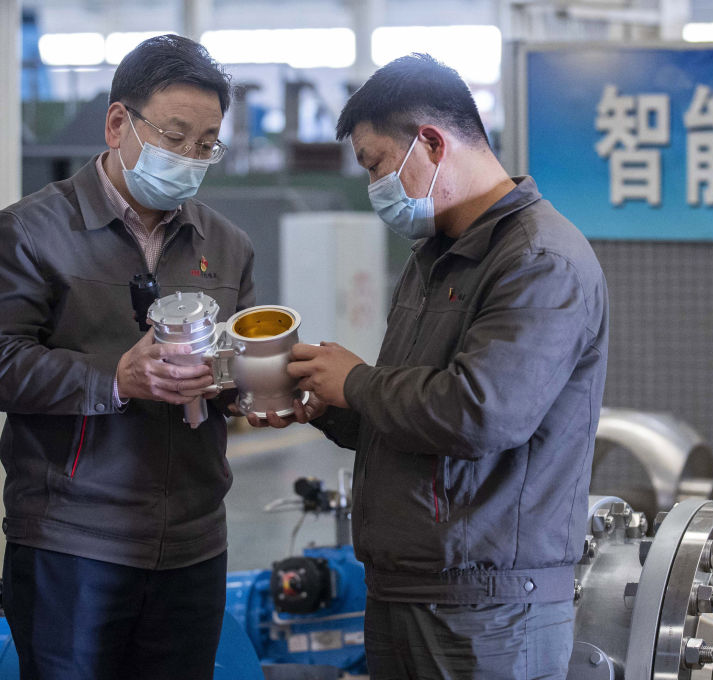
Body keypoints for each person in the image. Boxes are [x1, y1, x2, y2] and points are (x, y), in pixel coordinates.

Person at [259, 53, 609, 679]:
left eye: (375, 164)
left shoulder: (538, 261)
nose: (374, 186)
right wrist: (326, 402)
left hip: (487, 609)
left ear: (431, 143)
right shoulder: (435, 257)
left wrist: (356, 382)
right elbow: (416, 417)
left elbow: (482, 414)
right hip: (411, 589)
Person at [0, 34, 254, 680]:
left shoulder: (226, 245)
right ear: (118, 123)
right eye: (175, 137)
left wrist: (253, 386)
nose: (190, 157)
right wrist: (115, 379)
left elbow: (234, 360)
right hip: (73, 543)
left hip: (193, 544)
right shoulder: (29, 232)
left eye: (207, 144)